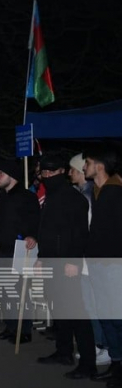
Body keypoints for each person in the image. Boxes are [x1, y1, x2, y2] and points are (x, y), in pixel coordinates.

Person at [30, 154, 96, 379]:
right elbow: (47, 231)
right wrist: (40, 257)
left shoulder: (73, 199)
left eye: (51, 172)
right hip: (50, 261)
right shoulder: (52, 197)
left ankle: (88, 364)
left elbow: (79, 234)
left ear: (61, 172)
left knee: (76, 313)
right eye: (43, 173)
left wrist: (72, 261)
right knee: (59, 309)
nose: (46, 176)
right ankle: (64, 351)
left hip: (67, 263)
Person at [82, 146, 122, 386]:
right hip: (98, 264)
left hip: (112, 265)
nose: (84, 167)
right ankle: (116, 363)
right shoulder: (98, 191)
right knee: (106, 316)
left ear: (99, 165)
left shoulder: (114, 193)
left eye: (87, 162)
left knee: (116, 317)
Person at [0, 159, 40, 344]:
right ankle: (11, 328)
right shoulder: (1, 196)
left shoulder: (27, 197)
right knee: (5, 291)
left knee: (19, 292)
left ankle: (23, 330)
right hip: (1, 250)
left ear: (12, 177)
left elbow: (35, 220)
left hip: (18, 250)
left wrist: (31, 236)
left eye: (1, 173)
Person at [70, 152, 111, 367]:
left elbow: (88, 230)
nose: (75, 172)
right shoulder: (88, 193)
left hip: (91, 262)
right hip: (90, 261)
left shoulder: (87, 196)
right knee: (91, 304)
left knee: (93, 304)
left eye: (77, 168)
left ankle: (102, 346)